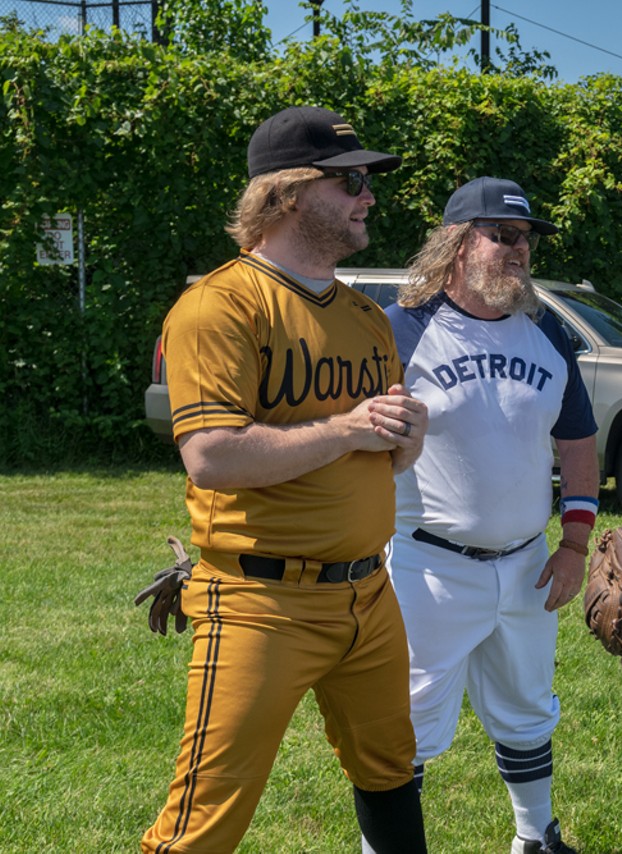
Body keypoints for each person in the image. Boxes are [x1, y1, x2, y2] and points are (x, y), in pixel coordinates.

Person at [142, 106, 429, 853]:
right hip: (259, 600)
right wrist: (350, 428)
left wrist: (404, 439)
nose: (369, 195)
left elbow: (382, 456)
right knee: (203, 820)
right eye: (352, 181)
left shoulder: (369, 316)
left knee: (392, 772)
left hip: (369, 592)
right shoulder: (219, 305)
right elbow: (212, 455)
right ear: (291, 193)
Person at [373, 177, 598, 854]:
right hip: (428, 562)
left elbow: (579, 440)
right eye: (501, 234)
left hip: (529, 561)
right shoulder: (400, 329)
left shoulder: (548, 332)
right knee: (404, 725)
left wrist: (576, 542)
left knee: (528, 709)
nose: (518, 249)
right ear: (455, 242)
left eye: (525, 238)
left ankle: (537, 837)